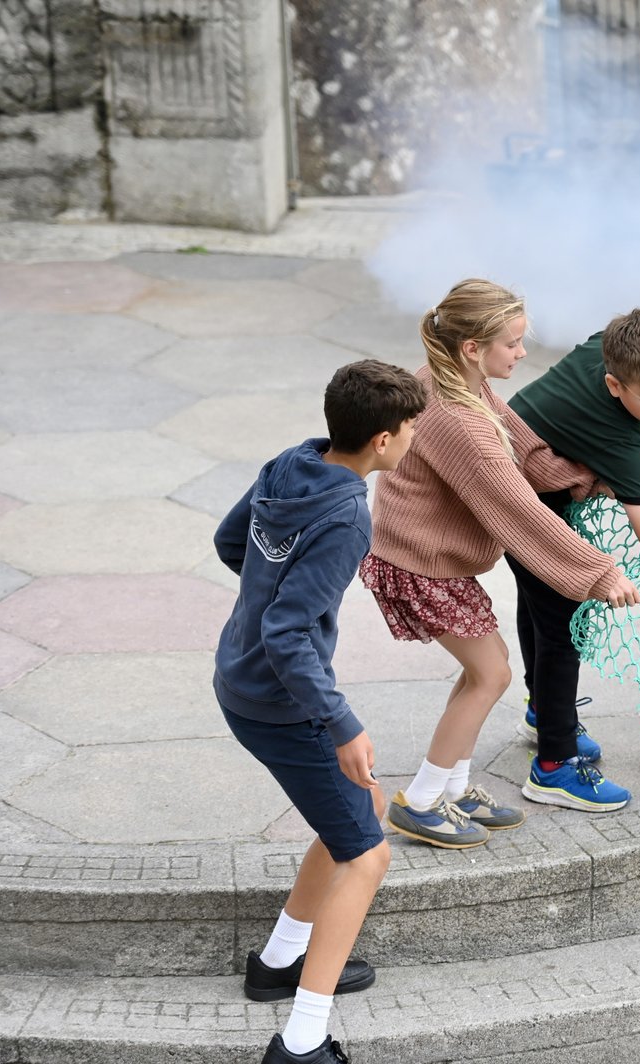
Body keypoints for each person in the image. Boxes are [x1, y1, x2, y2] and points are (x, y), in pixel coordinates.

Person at [365, 279, 640, 847]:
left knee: (483, 672)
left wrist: (592, 480)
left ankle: (455, 787)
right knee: (491, 674)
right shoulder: (458, 419)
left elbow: (525, 451)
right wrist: (599, 572)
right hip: (419, 565)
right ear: (472, 347)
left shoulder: (458, 382)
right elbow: (518, 508)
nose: (521, 352)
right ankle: (420, 800)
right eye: (512, 343)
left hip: (430, 559)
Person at [214, 359, 425, 1064]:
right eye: (411, 431)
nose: (413, 440)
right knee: (368, 854)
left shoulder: (290, 462)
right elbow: (287, 633)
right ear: (384, 441)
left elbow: (230, 542)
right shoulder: (347, 517)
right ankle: (301, 1041)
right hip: (282, 705)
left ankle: (278, 962)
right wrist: (342, 723)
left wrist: (267, 593)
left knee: (359, 809)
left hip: (239, 680)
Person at [506, 307, 640, 810]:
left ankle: (544, 713)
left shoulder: (609, 341)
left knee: (538, 600)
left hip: (520, 463)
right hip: (513, 492)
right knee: (563, 615)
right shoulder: (622, 442)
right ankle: (554, 765)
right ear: (613, 384)